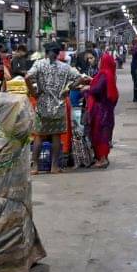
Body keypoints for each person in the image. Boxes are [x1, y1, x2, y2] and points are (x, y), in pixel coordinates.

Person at [26, 43, 91, 174]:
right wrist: (70, 88)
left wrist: (34, 93)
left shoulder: (39, 64)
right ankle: (54, 167)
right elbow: (81, 78)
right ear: (57, 54)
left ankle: (35, 167)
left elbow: (27, 77)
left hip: (43, 105)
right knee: (56, 136)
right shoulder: (65, 67)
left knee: (39, 136)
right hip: (59, 106)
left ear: (46, 53)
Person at [85, 52, 119, 168]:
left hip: (101, 110)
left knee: (99, 134)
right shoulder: (110, 74)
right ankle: (104, 157)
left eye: (100, 60)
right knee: (105, 133)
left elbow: (97, 90)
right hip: (107, 109)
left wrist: (88, 89)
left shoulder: (104, 74)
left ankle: (103, 159)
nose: (99, 62)